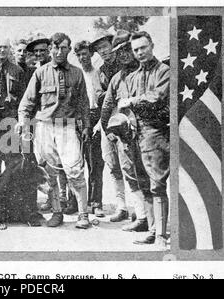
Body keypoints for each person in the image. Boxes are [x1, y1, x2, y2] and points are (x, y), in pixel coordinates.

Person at [17, 32, 92, 229]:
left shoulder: (77, 73)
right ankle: (57, 212)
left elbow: (84, 103)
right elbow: (27, 103)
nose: (59, 52)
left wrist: (85, 126)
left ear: (69, 49)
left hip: (66, 127)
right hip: (44, 127)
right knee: (48, 172)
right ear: (50, 49)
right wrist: (23, 123)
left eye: (64, 48)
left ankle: (83, 214)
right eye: (56, 48)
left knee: (74, 170)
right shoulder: (40, 73)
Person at [0, 37, 41, 229]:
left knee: (14, 167)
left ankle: (18, 210)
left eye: (5, 47)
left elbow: (23, 99)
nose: (2, 50)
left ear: (9, 49)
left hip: (11, 123)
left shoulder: (17, 71)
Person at [118, 31, 170, 248]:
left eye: (143, 47)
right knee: (144, 184)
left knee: (157, 184)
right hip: (134, 135)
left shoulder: (164, 71)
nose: (140, 52)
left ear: (152, 46)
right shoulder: (130, 77)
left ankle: (161, 235)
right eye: (136, 49)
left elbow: (157, 98)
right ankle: (152, 230)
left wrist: (132, 101)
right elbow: (121, 103)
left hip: (155, 133)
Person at [100, 30, 151, 232]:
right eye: (119, 51)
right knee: (130, 174)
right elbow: (106, 108)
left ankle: (153, 220)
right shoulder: (117, 79)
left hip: (147, 134)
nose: (124, 55)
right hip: (127, 138)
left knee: (149, 176)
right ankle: (142, 216)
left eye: (126, 49)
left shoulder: (148, 73)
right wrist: (109, 131)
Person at [26, 33, 69, 212]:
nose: (39, 54)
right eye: (35, 52)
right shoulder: (33, 71)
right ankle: (52, 198)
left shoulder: (61, 69)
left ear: (49, 49)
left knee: (63, 162)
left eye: (42, 50)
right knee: (44, 161)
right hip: (39, 122)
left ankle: (65, 197)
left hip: (60, 122)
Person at [90, 30, 129, 223]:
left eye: (105, 46)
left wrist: (111, 94)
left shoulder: (126, 66)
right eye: (98, 50)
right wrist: (114, 94)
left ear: (112, 45)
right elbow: (99, 97)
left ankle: (140, 208)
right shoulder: (99, 72)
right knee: (112, 164)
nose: (103, 52)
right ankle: (122, 207)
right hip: (107, 118)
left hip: (128, 117)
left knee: (131, 163)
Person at [73, 40, 105, 220]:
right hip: (78, 118)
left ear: (91, 54)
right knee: (75, 162)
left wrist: (99, 121)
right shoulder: (75, 74)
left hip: (94, 116)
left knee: (95, 163)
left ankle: (96, 202)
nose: (82, 57)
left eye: (84, 53)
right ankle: (76, 202)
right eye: (78, 55)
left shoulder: (98, 73)